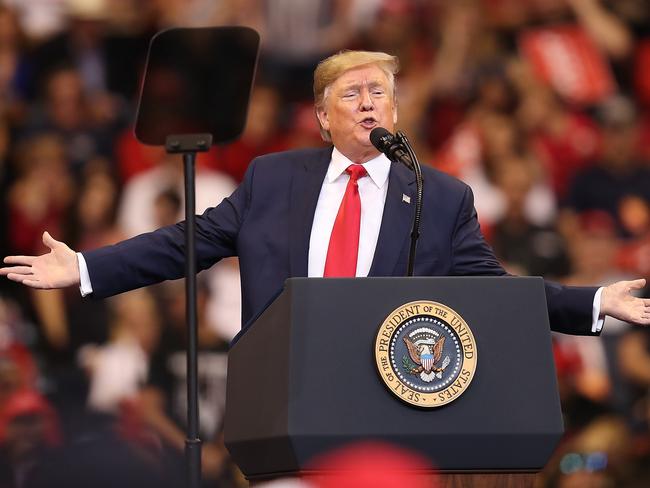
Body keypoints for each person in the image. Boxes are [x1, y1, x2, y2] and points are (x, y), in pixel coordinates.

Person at [1, 50, 649, 336]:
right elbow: (183, 244)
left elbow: (494, 287)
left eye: (381, 94)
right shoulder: (274, 179)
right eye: (353, 94)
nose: (369, 104)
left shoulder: (439, 195)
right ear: (320, 118)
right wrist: (84, 266)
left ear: (396, 112)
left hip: (390, 401)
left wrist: (591, 302)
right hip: (282, 392)